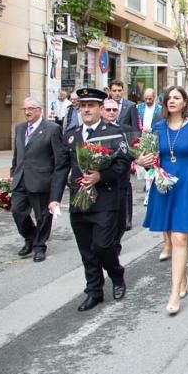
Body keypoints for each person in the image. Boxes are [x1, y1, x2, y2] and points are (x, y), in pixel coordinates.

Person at [51, 88, 132, 312]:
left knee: (103, 245)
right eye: (83, 106)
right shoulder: (70, 135)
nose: (86, 109)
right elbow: (61, 168)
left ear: (100, 109)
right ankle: (94, 290)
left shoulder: (113, 133)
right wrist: (54, 199)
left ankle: (116, 274)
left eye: (91, 106)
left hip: (105, 200)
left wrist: (100, 176)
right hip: (79, 200)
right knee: (86, 249)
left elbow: (123, 164)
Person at [138, 85, 188, 315]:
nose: (171, 101)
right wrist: (141, 161)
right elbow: (147, 157)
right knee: (172, 238)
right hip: (165, 186)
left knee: (181, 237)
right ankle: (181, 279)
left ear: (185, 103)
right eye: (168, 98)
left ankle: (173, 293)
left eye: (176, 97)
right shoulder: (157, 128)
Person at [10, 97, 67, 263]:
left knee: (42, 216)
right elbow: (17, 154)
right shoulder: (20, 128)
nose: (27, 112)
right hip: (21, 178)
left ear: (39, 110)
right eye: (25, 109)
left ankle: (39, 246)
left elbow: (60, 159)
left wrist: (56, 184)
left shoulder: (52, 129)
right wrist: (13, 172)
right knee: (17, 211)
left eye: (31, 109)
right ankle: (30, 237)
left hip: (41, 179)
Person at [102, 97, 138, 243]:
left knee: (120, 212)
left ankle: (117, 239)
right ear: (101, 110)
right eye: (108, 110)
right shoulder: (95, 130)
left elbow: (134, 150)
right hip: (102, 178)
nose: (111, 113)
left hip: (121, 177)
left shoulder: (126, 130)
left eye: (114, 110)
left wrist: (137, 161)